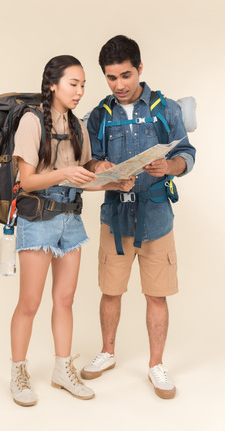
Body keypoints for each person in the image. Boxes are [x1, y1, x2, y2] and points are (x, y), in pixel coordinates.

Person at [10, 55, 135, 406]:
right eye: (73, 84)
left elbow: (83, 181)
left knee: (64, 300)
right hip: (37, 221)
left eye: (83, 85)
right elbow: (27, 181)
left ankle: (62, 370)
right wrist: (65, 173)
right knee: (29, 304)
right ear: (52, 84)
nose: (80, 91)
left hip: (71, 222)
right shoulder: (32, 122)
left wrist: (114, 184)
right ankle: (18, 372)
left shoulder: (78, 126)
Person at [81, 36, 196, 399]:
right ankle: (108, 352)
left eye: (126, 75)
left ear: (140, 69)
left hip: (157, 216)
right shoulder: (99, 115)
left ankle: (156, 366)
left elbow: (188, 155)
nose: (120, 85)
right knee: (110, 291)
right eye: (111, 77)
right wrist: (101, 166)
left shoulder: (167, 109)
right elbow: (89, 161)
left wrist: (170, 166)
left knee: (156, 295)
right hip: (114, 217)